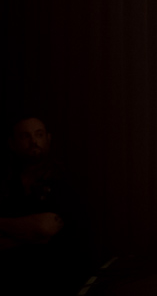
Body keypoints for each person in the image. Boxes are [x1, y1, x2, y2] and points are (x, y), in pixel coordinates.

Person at [1, 114, 91, 294]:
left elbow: (45, 229)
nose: (33, 141)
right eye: (25, 136)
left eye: (39, 134)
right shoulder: (7, 182)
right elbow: (39, 233)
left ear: (48, 138)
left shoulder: (64, 179)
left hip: (54, 280)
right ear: (11, 143)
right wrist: (31, 234)